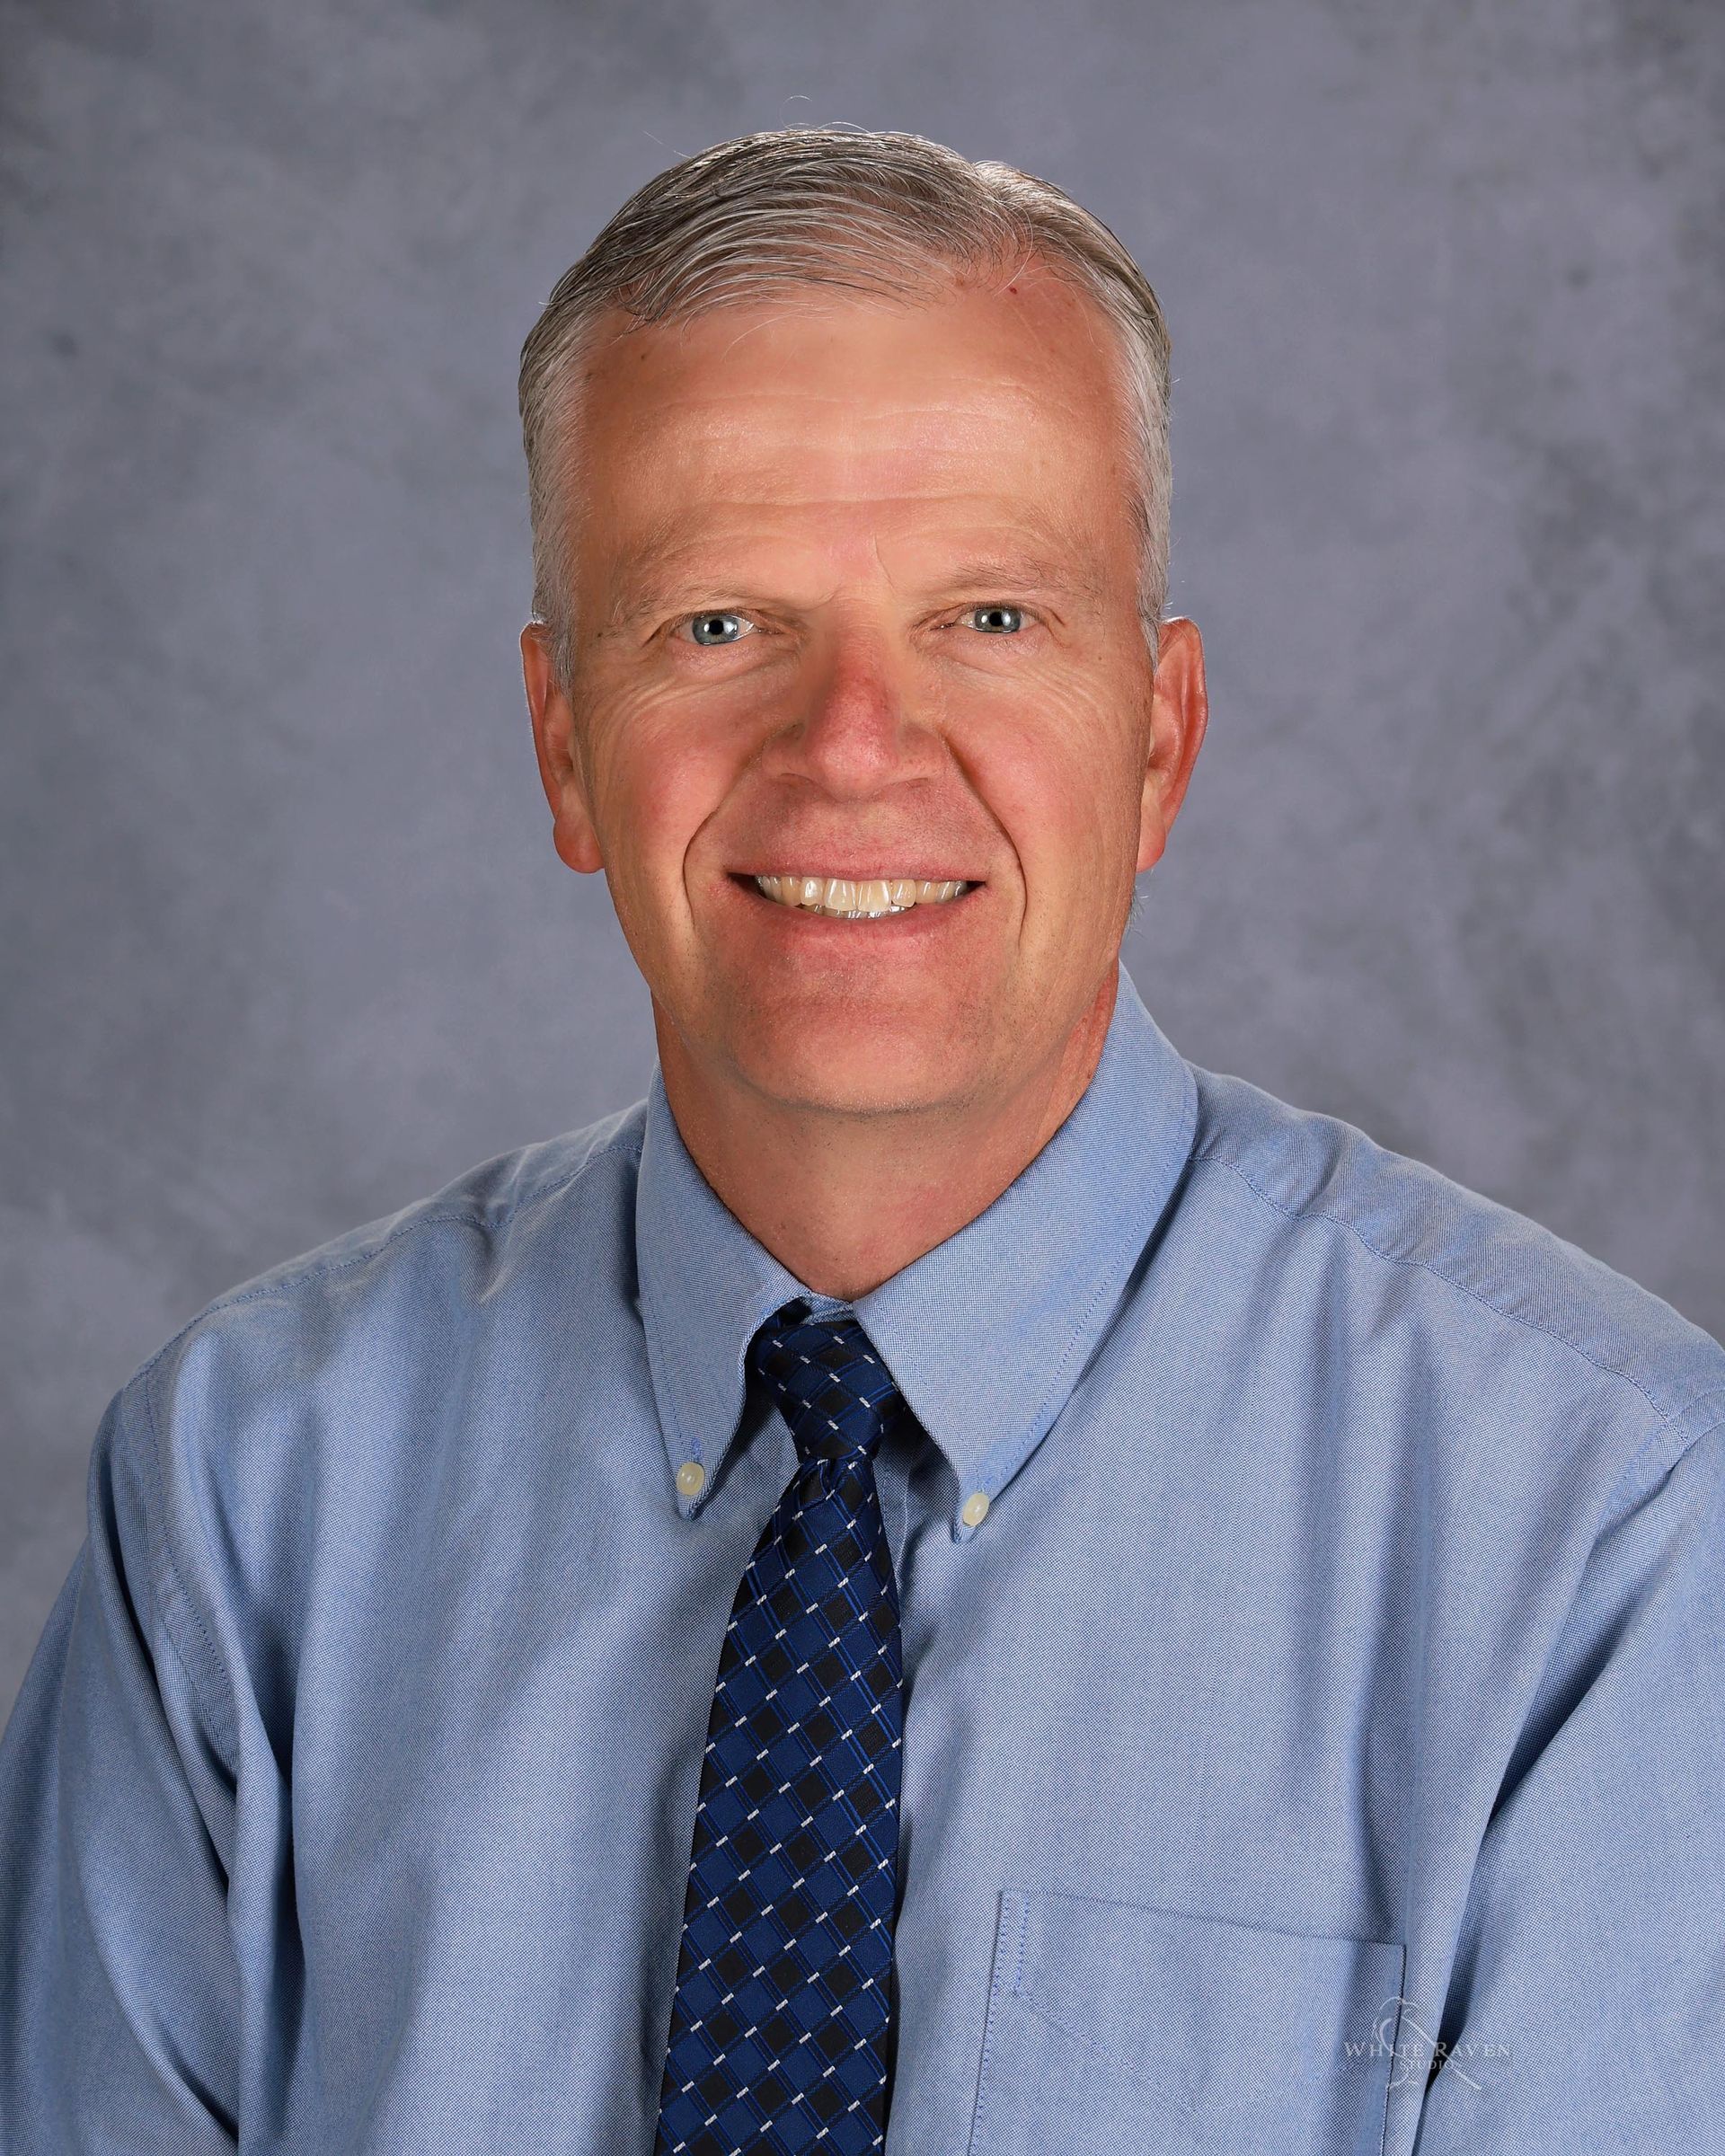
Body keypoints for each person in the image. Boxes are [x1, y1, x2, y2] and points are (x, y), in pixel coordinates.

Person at [2, 124, 1721, 2156]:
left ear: (1158, 742)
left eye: (991, 619)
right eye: (718, 624)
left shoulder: (1609, 1532)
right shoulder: (239, 1500)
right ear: (566, 746)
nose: (850, 750)